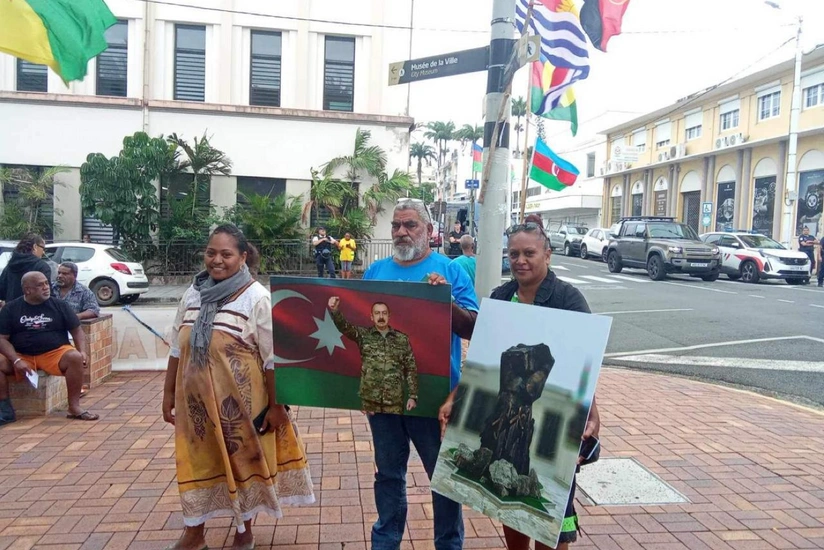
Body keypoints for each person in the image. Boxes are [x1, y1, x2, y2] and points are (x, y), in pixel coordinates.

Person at [162, 223, 314, 550]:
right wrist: (167, 393)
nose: (217, 260)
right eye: (211, 252)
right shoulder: (192, 294)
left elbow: (273, 359)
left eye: (226, 254)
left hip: (242, 409)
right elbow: (178, 346)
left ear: (243, 257)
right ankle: (195, 532)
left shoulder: (256, 298)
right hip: (195, 408)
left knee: (242, 465)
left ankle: (244, 530)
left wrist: (276, 406)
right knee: (195, 463)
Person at [362, 199, 479, 550]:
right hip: (383, 396)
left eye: (410, 225)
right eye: (396, 225)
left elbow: (473, 327)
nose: (401, 232)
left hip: (435, 395)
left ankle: (448, 544)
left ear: (429, 231)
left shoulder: (450, 270)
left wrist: (445, 300)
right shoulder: (375, 271)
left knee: (442, 477)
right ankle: (386, 541)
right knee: (388, 475)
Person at [489, 214, 600, 550]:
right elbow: (486, 353)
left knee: (553, 503)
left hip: (557, 407)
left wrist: (592, 413)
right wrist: (455, 397)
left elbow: (586, 361)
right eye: (513, 255)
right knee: (509, 498)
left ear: (547, 255)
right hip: (507, 414)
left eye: (529, 254)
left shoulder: (568, 299)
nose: (520, 261)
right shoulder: (500, 297)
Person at [0, 271, 98, 425]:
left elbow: (77, 330)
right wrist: (16, 359)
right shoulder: (11, 309)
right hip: (21, 354)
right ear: (27, 290)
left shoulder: (59, 305)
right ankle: (5, 410)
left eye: (46, 283)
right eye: (40, 285)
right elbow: (2, 339)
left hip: (54, 353)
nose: (46, 287)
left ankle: (74, 407)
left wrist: (82, 351)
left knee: (75, 358)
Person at [328, 298, 418, 414]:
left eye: (384, 313)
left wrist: (413, 396)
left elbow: (411, 368)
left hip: (394, 401)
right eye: (377, 313)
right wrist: (335, 310)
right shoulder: (363, 335)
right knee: (376, 430)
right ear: (372, 317)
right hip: (370, 401)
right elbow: (344, 327)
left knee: (394, 431)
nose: (381, 316)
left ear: (389, 316)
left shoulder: (402, 339)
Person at [0, 234, 53, 303]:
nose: (43, 252)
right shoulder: (41, 266)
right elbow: (47, 294)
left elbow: (2, 292)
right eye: (43, 248)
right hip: (36, 311)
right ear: (35, 247)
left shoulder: (10, 266)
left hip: (12, 310)